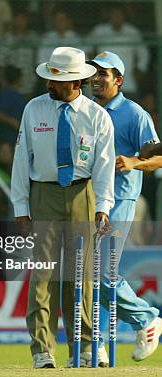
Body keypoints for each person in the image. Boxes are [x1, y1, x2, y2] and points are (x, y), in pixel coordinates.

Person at [10, 47, 115, 368]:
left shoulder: (96, 115)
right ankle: (42, 349)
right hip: (43, 193)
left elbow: (104, 165)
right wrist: (21, 206)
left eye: (57, 81)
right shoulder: (34, 109)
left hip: (83, 194)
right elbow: (20, 159)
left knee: (79, 276)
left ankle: (84, 347)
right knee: (43, 275)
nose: (49, 85)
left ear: (76, 83)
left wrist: (104, 206)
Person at [89, 51, 162, 361]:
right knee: (90, 275)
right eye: (93, 72)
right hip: (87, 199)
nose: (96, 78)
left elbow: (158, 157)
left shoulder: (134, 114)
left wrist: (133, 161)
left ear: (118, 80)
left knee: (103, 271)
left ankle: (146, 319)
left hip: (119, 198)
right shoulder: (85, 109)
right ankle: (99, 342)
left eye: (103, 74)